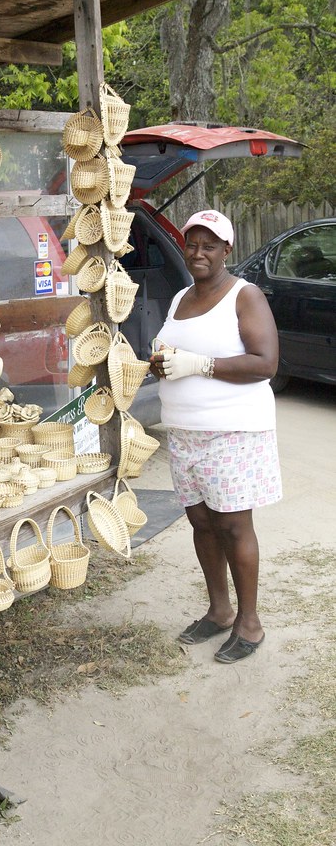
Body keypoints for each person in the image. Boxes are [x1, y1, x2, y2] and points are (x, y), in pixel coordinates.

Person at [149, 210, 281, 664]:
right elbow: (176, 351)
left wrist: (199, 365)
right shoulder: (181, 297)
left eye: (209, 245)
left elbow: (265, 363)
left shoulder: (244, 296)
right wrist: (163, 362)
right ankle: (219, 610)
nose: (198, 253)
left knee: (232, 524)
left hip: (233, 431)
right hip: (184, 432)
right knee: (201, 523)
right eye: (191, 244)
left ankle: (250, 622)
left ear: (227, 249)